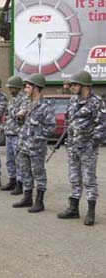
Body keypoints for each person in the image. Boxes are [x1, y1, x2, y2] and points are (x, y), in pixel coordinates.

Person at [57, 71, 106, 225]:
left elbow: (102, 125)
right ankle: (73, 208)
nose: (71, 87)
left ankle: (91, 211)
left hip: (87, 148)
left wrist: (92, 144)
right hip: (73, 147)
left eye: (74, 84)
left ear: (84, 85)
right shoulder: (73, 100)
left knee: (89, 180)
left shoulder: (96, 102)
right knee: (74, 178)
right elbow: (68, 122)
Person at [12, 74, 55, 213]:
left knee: (39, 173)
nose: (25, 89)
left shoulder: (45, 106)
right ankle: (27, 198)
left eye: (28, 86)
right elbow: (20, 123)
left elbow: (51, 128)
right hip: (23, 145)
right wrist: (20, 116)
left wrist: (37, 137)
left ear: (36, 88)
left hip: (36, 147)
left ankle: (39, 202)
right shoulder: (26, 103)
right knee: (25, 172)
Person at [0, 76, 28, 194]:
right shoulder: (12, 100)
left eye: (12, 87)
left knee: (19, 160)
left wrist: (12, 113)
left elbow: (18, 115)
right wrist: (2, 127)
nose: (10, 89)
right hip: (9, 133)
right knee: (10, 159)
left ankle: (20, 183)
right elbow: (7, 115)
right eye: (9, 87)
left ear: (17, 87)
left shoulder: (24, 99)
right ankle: (12, 179)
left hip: (18, 134)